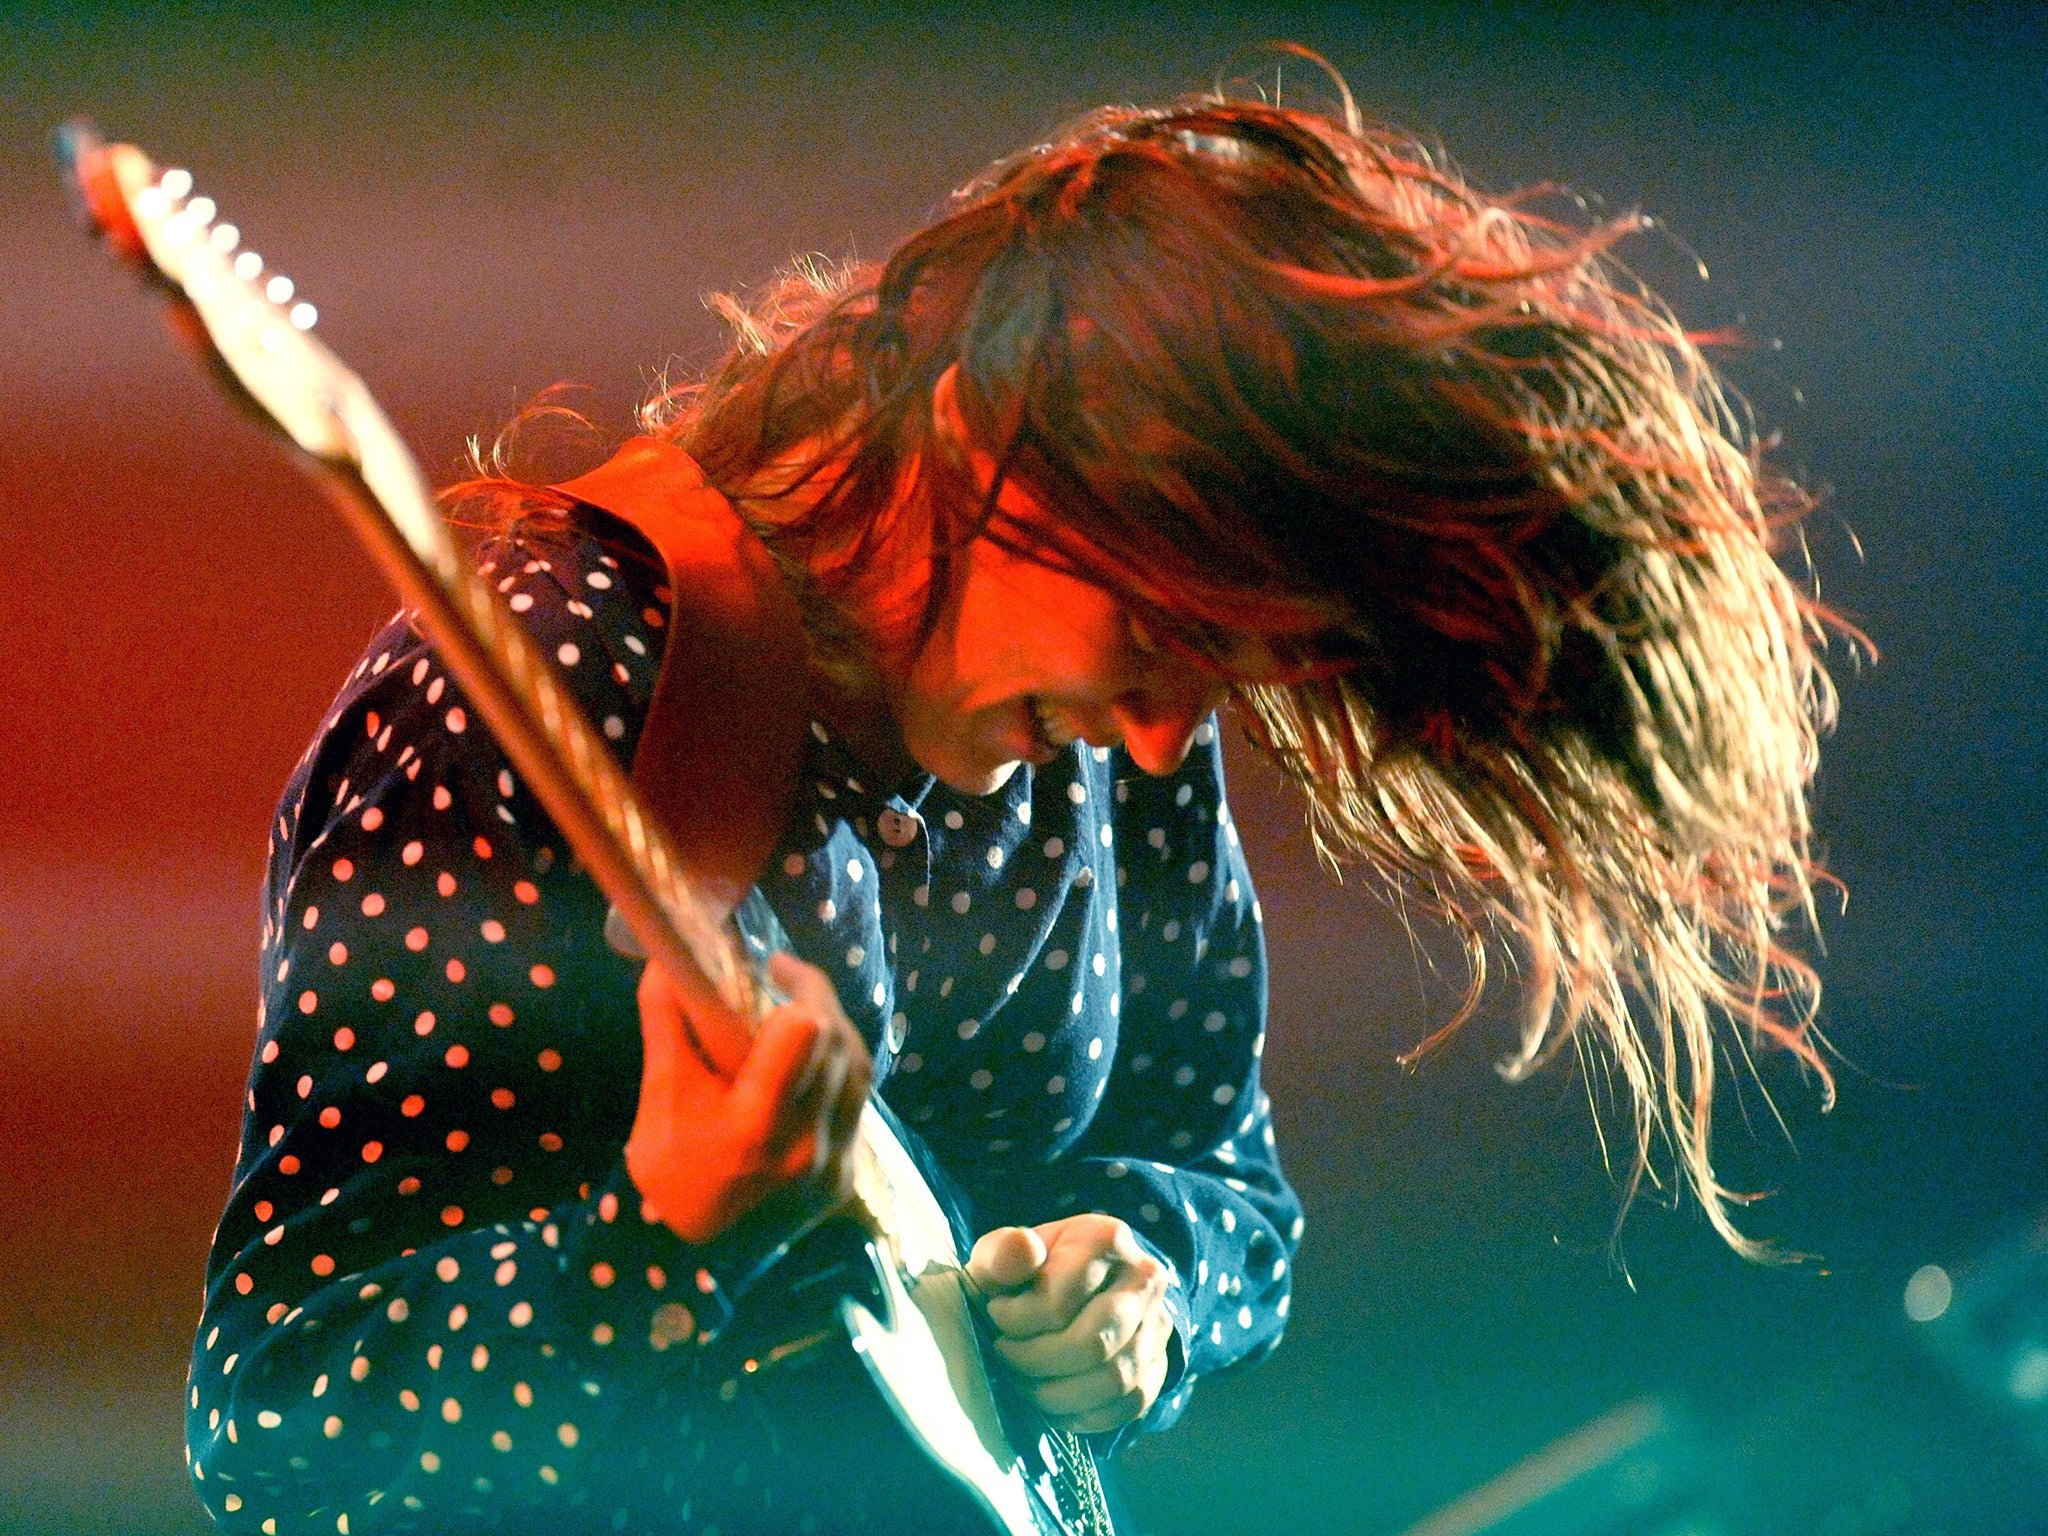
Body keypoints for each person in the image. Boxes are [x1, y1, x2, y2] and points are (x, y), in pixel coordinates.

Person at [185, 88, 1838, 1534]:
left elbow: (1226, 1173)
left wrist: (1149, 1292)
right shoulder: (547, 677)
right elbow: (281, 1436)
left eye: (1233, 673)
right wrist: (666, 1244)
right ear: (993, 440)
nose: (1164, 728)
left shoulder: (1121, 743)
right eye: (1161, 637)